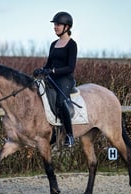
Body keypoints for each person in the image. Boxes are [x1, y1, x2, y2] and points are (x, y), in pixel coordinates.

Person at [33, 11, 77, 147]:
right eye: (55, 25)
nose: (55, 27)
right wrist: (41, 70)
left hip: (65, 80)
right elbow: (48, 64)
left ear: (67, 27)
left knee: (61, 101)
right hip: (51, 79)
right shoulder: (53, 44)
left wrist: (53, 71)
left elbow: (70, 67)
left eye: (58, 25)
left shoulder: (71, 44)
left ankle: (69, 136)